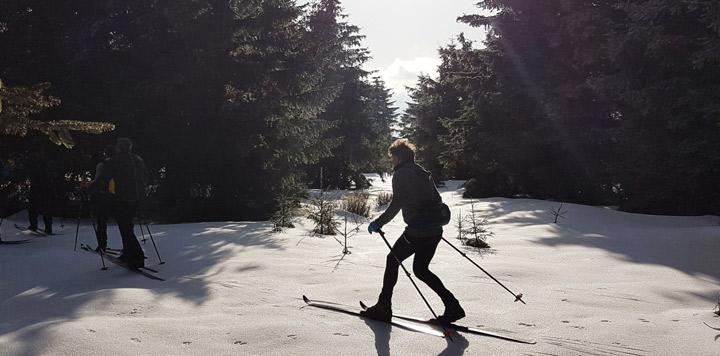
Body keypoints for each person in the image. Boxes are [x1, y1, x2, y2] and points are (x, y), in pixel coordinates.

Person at [361, 138, 465, 324]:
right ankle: (453, 306)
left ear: (399, 157)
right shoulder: (423, 172)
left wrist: (379, 222)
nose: (391, 160)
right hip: (434, 231)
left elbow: (397, 203)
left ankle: (384, 306)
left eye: (392, 157)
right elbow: (437, 199)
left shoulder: (401, 174)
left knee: (392, 260)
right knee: (421, 270)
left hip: (418, 231)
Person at [87, 138, 148, 268]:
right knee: (126, 225)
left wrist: (91, 188)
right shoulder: (138, 159)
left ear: (119, 148)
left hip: (124, 197)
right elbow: (145, 176)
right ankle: (128, 253)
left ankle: (138, 257)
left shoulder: (116, 161)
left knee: (125, 227)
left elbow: (104, 178)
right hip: (138, 197)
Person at [89, 144, 118, 252]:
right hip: (119, 195)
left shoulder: (102, 164)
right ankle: (128, 245)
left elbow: (98, 180)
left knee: (102, 221)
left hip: (104, 195)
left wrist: (89, 187)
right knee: (122, 221)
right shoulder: (120, 163)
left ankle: (102, 245)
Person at [27, 147, 58, 234]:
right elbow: (55, 173)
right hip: (48, 187)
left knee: (33, 207)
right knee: (47, 207)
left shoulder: (32, 160)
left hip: (36, 187)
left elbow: (27, 171)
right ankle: (48, 227)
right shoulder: (48, 161)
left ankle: (33, 225)